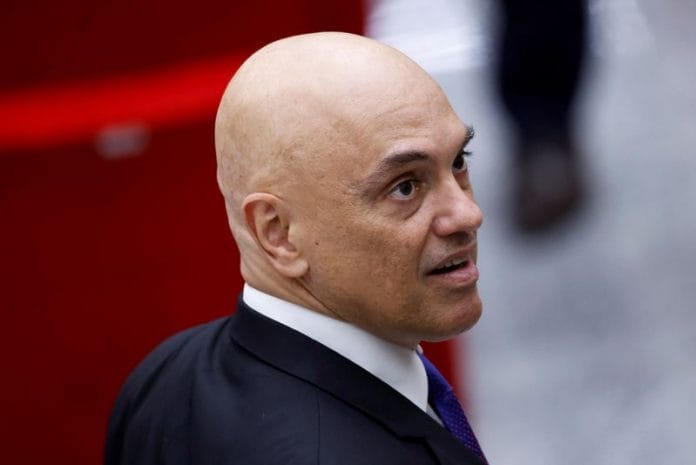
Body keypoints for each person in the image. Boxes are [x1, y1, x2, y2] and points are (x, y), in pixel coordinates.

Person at [105, 32, 487, 465]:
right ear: (279, 233)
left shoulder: (163, 378)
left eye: (459, 161)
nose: (468, 214)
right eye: (405, 187)